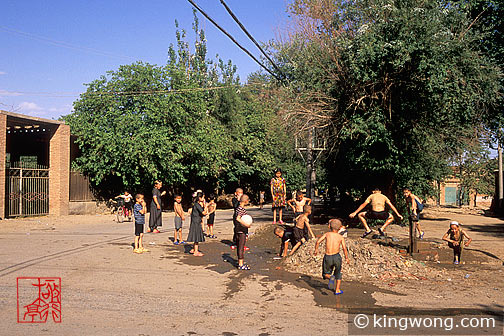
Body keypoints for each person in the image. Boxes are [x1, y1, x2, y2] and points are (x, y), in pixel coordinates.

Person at [314, 219, 350, 295]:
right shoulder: (340, 237)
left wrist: (316, 250)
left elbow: (318, 242)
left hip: (328, 257)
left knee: (325, 273)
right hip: (337, 257)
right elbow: (344, 248)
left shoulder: (327, 234)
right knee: (338, 273)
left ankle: (330, 277)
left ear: (329, 226)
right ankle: (337, 290)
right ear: (340, 228)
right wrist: (347, 258)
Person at [187, 192, 207, 257]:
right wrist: (206, 206)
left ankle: (194, 249)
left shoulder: (196, 204)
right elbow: (203, 213)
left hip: (195, 221)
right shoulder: (197, 205)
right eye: (203, 197)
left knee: (196, 235)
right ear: (199, 198)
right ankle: (196, 251)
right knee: (196, 236)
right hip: (196, 222)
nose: (204, 199)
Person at [234, 194, 252, 270]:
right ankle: (241, 264)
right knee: (241, 247)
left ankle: (239, 262)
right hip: (241, 231)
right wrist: (246, 225)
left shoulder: (238, 208)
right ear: (245, 201)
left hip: (237, 230)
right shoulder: (241, 209)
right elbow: (238, 218)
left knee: (239, 247)